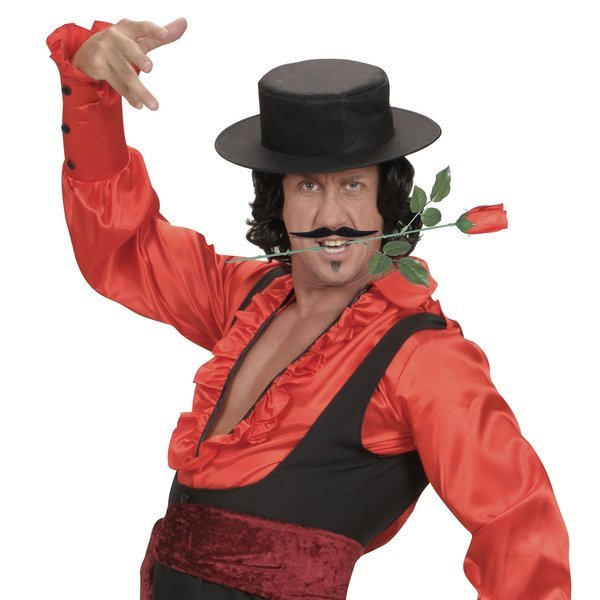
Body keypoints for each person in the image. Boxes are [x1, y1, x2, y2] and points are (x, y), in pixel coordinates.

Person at [46, 16, 571, 600]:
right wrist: (89, 93)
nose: (330, 217)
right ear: (280, 202)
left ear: (386, 200)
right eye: (308, 186)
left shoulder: (423, 358)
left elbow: (520, 522)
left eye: (353, 185)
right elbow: (125, 249)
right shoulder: (246, 297)